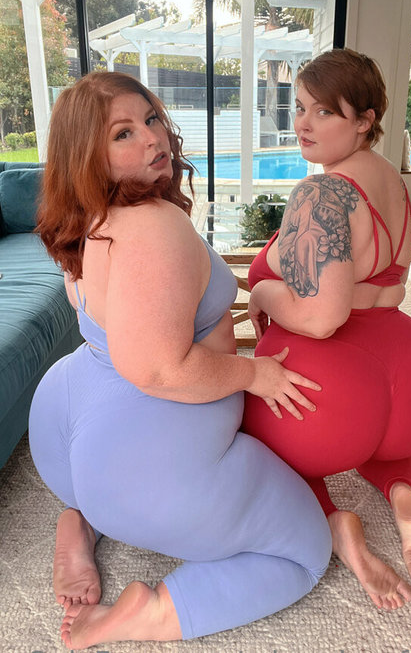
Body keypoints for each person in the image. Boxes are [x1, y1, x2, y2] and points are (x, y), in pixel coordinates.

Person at [28, 71, 332, 650]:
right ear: (87, 157)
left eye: (151, 119)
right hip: (146, 469)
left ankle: (80, 519)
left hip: (67, 433)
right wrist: (255, 373)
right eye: (122, 133)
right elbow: (159, 370)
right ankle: (147, 613)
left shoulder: (87, 220)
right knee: (304, 551)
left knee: (99, 481)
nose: (153, 137)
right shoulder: (152, 226)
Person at [242, 48, 411, 612]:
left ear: (364, 120)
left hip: (331, 388)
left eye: (324, 111)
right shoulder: (392, 181)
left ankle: (335, 522)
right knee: (384, 442)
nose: (302, 123)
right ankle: (402, 493)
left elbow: (320, 317)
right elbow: (389, 284)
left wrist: (261, 293)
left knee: (250, 435)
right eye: (299, 107)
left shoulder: (321, 194)